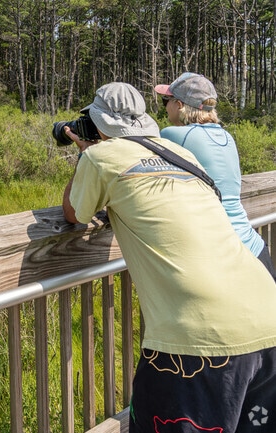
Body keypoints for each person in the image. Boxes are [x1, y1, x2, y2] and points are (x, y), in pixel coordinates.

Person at [61, 82, 276, 433]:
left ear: (98, 124)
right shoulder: (180, 153)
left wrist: (86, 153)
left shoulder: (102, 157)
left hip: (199, 338)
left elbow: (74, 213)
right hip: (267, 316)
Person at [154, 72, 276, 280]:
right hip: (254, 248)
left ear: (179, 104)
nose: (164, 106)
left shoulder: (174, 135)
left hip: (227, 256)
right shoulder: (226, 136)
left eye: (166, 100)